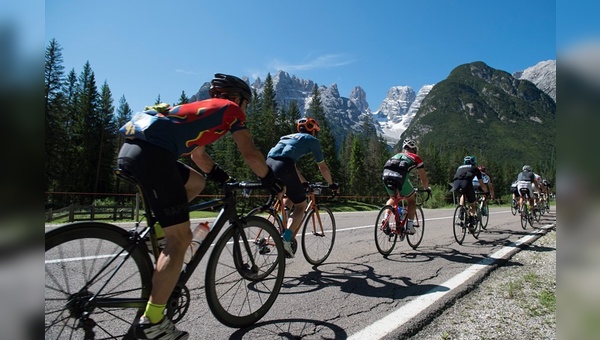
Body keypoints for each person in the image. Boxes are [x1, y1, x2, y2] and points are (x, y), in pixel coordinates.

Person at [117, 73, 284, 339]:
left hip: (132, 150)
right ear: (237, 99)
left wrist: (221, 178)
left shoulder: (203, 112)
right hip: (153, 156)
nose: (246, 111)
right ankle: (153, 323)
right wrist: (269, 179)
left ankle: (160, 232)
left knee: (195, 182)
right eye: (247, 104)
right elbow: (250, 154)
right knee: (180, 240)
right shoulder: (230, 110)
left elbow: (198, 155)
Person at [266, 117, 338, 258]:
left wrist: (304, 182)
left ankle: (272, 230)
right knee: (301, 205)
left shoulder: (287, 137)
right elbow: (322, 167)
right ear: (314, 131)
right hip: (284, 166)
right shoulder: (312, 140)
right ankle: (285, 239)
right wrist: (331, 184)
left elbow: (291, 166)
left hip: (268, 163)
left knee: (288, 197)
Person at [381, 139, 431, 235]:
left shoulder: (395, 155)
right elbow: (424, 178)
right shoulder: (416, 157)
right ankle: (410, 227)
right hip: (400, 177)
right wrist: (426, 189)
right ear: (414, 149)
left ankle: (385, 218)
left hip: (386, 175)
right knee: (411, 200)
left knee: (393, 197)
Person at [452, 156, 488, 231]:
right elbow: (481, 184)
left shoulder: (459, 167)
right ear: (473, 162)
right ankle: (471, 222)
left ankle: (461, 210)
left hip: (455, 185)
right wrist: (486, 191)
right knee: (473, 203)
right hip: (466, 184)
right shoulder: (475, 169)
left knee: (463, 194)